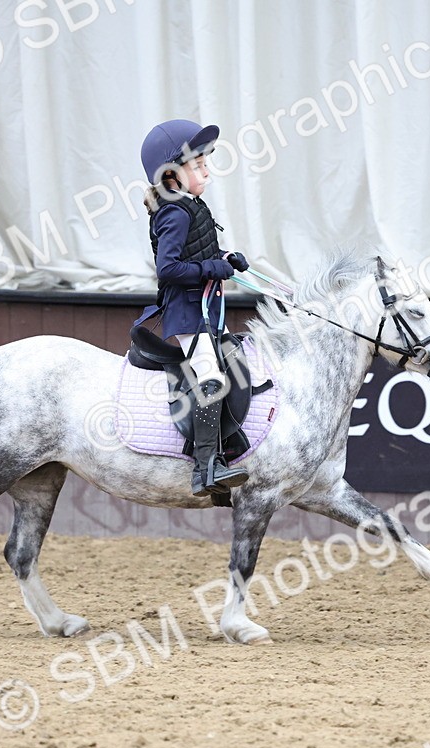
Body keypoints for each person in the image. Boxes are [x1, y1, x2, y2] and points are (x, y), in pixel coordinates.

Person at [137, 119, 251, 497]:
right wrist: (212, 269)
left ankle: (228, 441)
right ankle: (206, 467)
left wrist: (226, 257)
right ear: (171, 174)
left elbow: (198, 252)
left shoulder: (191, 205)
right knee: (209, 376)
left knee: (233, 361)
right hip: (187, 311)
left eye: (205, 164)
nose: (206, 172)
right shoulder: (174, 212)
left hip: (206, 307)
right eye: (198, 165)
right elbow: (168, 269)